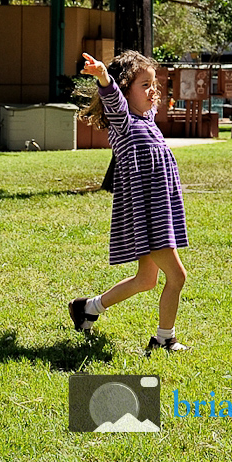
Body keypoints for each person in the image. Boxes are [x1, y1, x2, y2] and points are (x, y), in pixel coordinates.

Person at [68, 50, 189, 353]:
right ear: (124, 91)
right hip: (147, 216)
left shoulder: (145, 119)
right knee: (177, 276)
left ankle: (87, 308)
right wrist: (103, 77)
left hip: (158, 211)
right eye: (145, 85)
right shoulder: (123, 121)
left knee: (146, 279)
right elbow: (112, 96)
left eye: (154, 84)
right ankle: (164, 339)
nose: (153, 91)